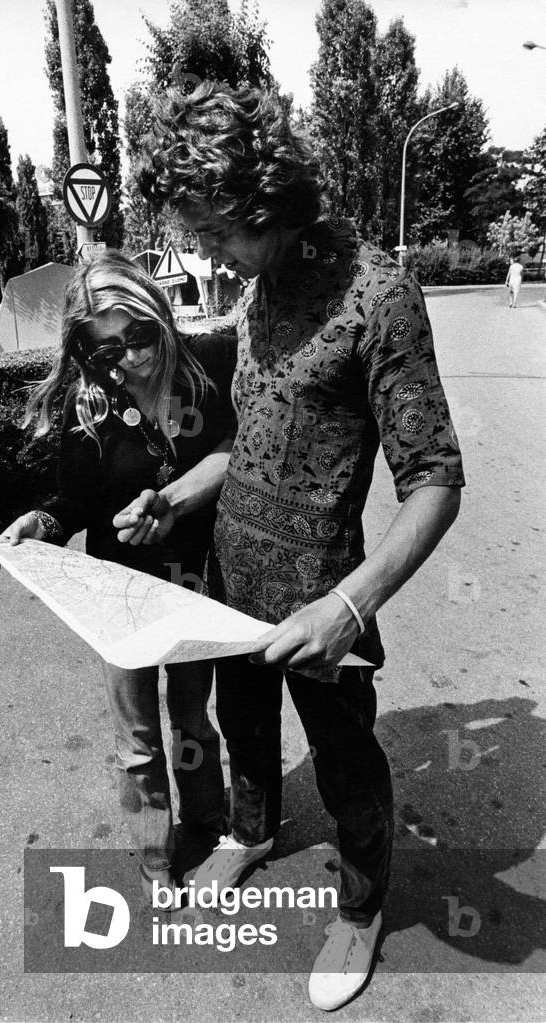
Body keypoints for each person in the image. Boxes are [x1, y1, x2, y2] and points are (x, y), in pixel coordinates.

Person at [116, 82, 465, 1010]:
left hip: (321, 600)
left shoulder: (378, 294)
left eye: (213, 231)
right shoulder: (259, 288)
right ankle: (253, 829)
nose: (204, 253)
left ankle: (360, 904)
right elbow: (249, 437)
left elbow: (435, 479)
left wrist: (348, 605)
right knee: (243, 727)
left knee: (346, 762)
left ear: (263, 201)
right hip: (231, 577)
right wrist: (174, 498)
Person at [0, 250, 237, 902]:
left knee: (192, 721)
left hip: (193, 585)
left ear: (160, 313)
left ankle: (209, 825)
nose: (129, 357)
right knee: (137, 741)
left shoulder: (208, 367)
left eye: (139, 334)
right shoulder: (89, 405)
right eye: (106, 350)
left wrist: (174, 499)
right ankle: (156, 860)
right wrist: (41, 521)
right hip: (118, 595)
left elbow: (234, 447)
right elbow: (75, 501)